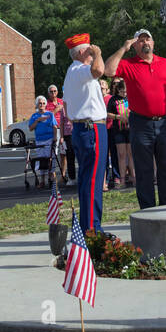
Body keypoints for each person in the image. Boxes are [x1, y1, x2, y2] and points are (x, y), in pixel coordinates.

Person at [103, 29, 166, 211]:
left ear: (153, 43)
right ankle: (148, 210)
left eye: (148, 39)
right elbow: (108, 70)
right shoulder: (129, 64)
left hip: (165, 121)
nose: (145, 43)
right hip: (140, 123)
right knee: (143, 169)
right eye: (140, 40)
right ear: (135, 45)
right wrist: (124, 47)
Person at [61, 34, 107, 231]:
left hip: (83, 127)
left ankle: (88, 225)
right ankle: (92, 228)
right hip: (91, 128)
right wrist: (98, 54)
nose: (92, 53)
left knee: (88, 178)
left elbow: (66, 105)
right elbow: (99, 70)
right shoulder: (80, 70)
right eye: (89, 50)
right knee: (93, 179)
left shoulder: (72, 72)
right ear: (81, 52)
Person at [107, 79, 135, 189]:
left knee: (131, 154)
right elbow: (108, 114)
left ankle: (134, 177)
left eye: (126, 91)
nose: (125, 94)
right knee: (121, 155)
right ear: (118, 89)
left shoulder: (131, 97)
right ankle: (122, 180)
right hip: (118, 130)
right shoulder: (113, 99)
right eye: (123, 91)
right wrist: (118, 117)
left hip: (130, 129)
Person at [28, 96, 58, 189]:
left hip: (49, 139)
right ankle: (42, 181)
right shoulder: (34, 116)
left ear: (46, 104)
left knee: (50, 158)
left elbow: (55, 126)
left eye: (43, 103)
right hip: (39, 140)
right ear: (37, 104)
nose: (42, 105)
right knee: (41, 160)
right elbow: (30, 128)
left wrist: (55, 137)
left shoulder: (50, 114)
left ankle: (52, 179)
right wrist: (38, 120)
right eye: (40, 103)